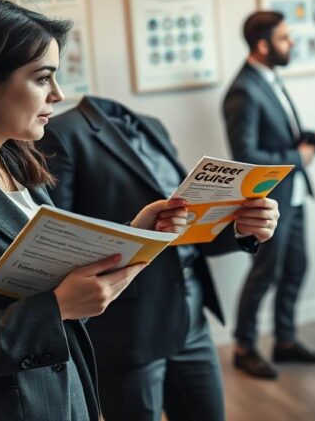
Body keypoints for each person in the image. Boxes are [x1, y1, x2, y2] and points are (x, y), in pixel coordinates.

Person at [0, 0, 187, 421]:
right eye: (42, 78)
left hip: (58, 396)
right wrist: (57, 308)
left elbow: (43, 267)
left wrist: (134, 234)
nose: (59, 94)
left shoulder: (14, 162)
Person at [37, 95, 279, 421]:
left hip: (191, 316)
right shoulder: (62, 134)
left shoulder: (152, 126)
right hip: (129, 330)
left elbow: (188, 232)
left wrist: (243, 229)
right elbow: (63, 245)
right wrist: (138, 231)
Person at [223, 10, 315, 380]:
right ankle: (244, 347)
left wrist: (312, 139)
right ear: (262, 45)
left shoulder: (270, 79)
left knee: (296, 267)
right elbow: (246, 157)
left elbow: (280, 135)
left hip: (294, 195)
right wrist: (298, 157)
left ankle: (285, 340)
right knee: (265, 273)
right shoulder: (243, 91)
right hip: (268, 203)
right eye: (285, 38)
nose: (292, 44)